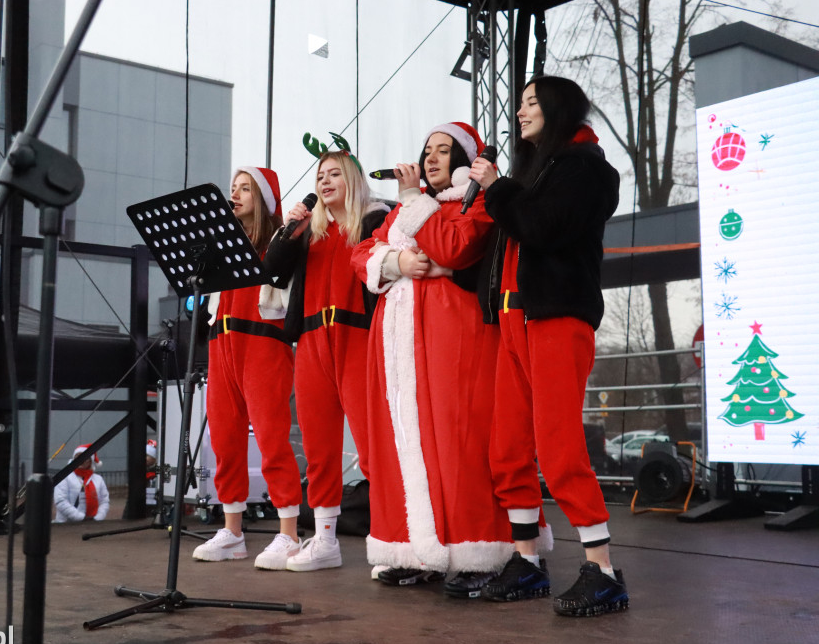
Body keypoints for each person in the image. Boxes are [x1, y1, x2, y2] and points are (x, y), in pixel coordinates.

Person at [351, 122, 545, 596]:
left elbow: (458, 248)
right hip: (400, 344)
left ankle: (479, 549)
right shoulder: (405, 208)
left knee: (461, 442)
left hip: (454, 336)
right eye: (428, 150)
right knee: (404, 447)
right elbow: (362, 253)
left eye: (444, 151)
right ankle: (413, 549)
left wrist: (418, 214)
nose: (432, 158)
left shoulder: (475, 199)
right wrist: (396, 264)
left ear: (463, 158)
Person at [469, 75, 628, 616]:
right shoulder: (533, 173)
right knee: (507, 448)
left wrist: (496, 189)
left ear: (560, 107)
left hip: (557, 317)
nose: (519, 112)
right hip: (514, 319)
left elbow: (541, 228)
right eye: (517, 104)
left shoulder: (588, 168)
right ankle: (527, 561)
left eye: (531, 102)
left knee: (559, 447)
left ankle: (603, 570)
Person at [263, 140, 387, 571]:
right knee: (318, 446)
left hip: (356, 334)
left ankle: (394, 535)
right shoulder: (307, 232)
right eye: (320, 176)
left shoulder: (373, 219)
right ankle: (326, 538)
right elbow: (272, 269)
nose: (325, 181)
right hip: (313, 338)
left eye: (334, 174)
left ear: (351, 179)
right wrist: (289, 226)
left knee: (373, 443)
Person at [191, 167, 305, 570]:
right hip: (221, 343)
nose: (235, 194)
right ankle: (233, 531)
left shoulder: (277, 243)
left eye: (245, 189)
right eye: (232, 188)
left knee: (272, 439)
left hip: (262, 344)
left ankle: (289, 532)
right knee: (224, 439)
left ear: (264, 198)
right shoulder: (221, 249)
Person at [54, 445, 109, 522]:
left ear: (90, 461)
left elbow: (104, 501)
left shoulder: (98, 479)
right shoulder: (64, 477)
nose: (81, 460)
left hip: (93, 524)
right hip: (66, 525)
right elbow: (60, 501)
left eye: (85, 457)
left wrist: (98, 518)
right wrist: (81, 518)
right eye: (77, 457)